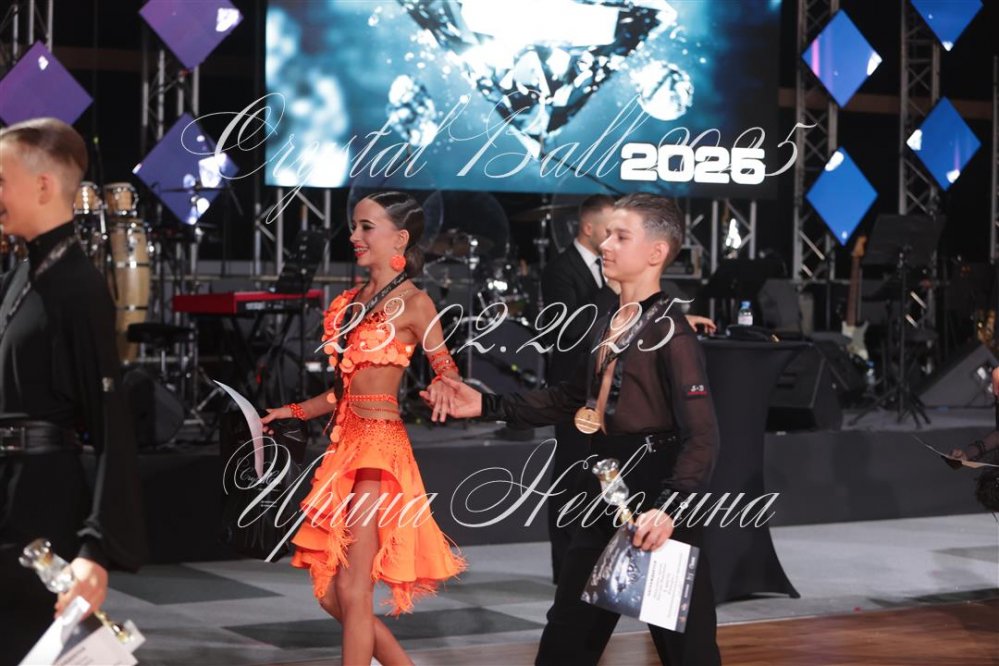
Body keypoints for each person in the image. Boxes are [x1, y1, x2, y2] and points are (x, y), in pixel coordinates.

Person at [424, 193, 721, 665]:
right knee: (567, 637)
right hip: (604, 485)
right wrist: (486, 403)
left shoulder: (673, 333)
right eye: (607, 235)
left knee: (688, 650)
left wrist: (668, 509)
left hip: (657, 496)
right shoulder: (609, 320)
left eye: (621, 236)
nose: (606, 245)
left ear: (656, 252)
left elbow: (703, 435)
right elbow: (570, 398)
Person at [262, 191, 466, 666]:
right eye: (354, 226)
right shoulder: (347, 303)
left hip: (379, 451)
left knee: (354, 589)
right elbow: (341, 392)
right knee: (330, 593)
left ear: (400, 238)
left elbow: (446, 368)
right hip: (344, 449)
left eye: (365, 227)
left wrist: (445, 385)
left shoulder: (415, 303)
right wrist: (291, 412)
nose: (354, 235)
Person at [0, 118, 147, 664]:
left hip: (41, 509)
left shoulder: (79, 287)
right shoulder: (24, 273)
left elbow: (112, 422)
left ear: (42, 185)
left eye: (1, 180)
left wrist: (96, 547)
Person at [539, 194, 618, 583]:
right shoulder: (560, 270)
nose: (613, 238)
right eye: (608, 230)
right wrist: (610, 289)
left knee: (603, 475)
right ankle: (564, 569)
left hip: (605, 388)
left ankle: (599, 561)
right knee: (570, 475)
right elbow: (570, 330)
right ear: (588, 228)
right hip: (571, 390)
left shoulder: (613, 267)